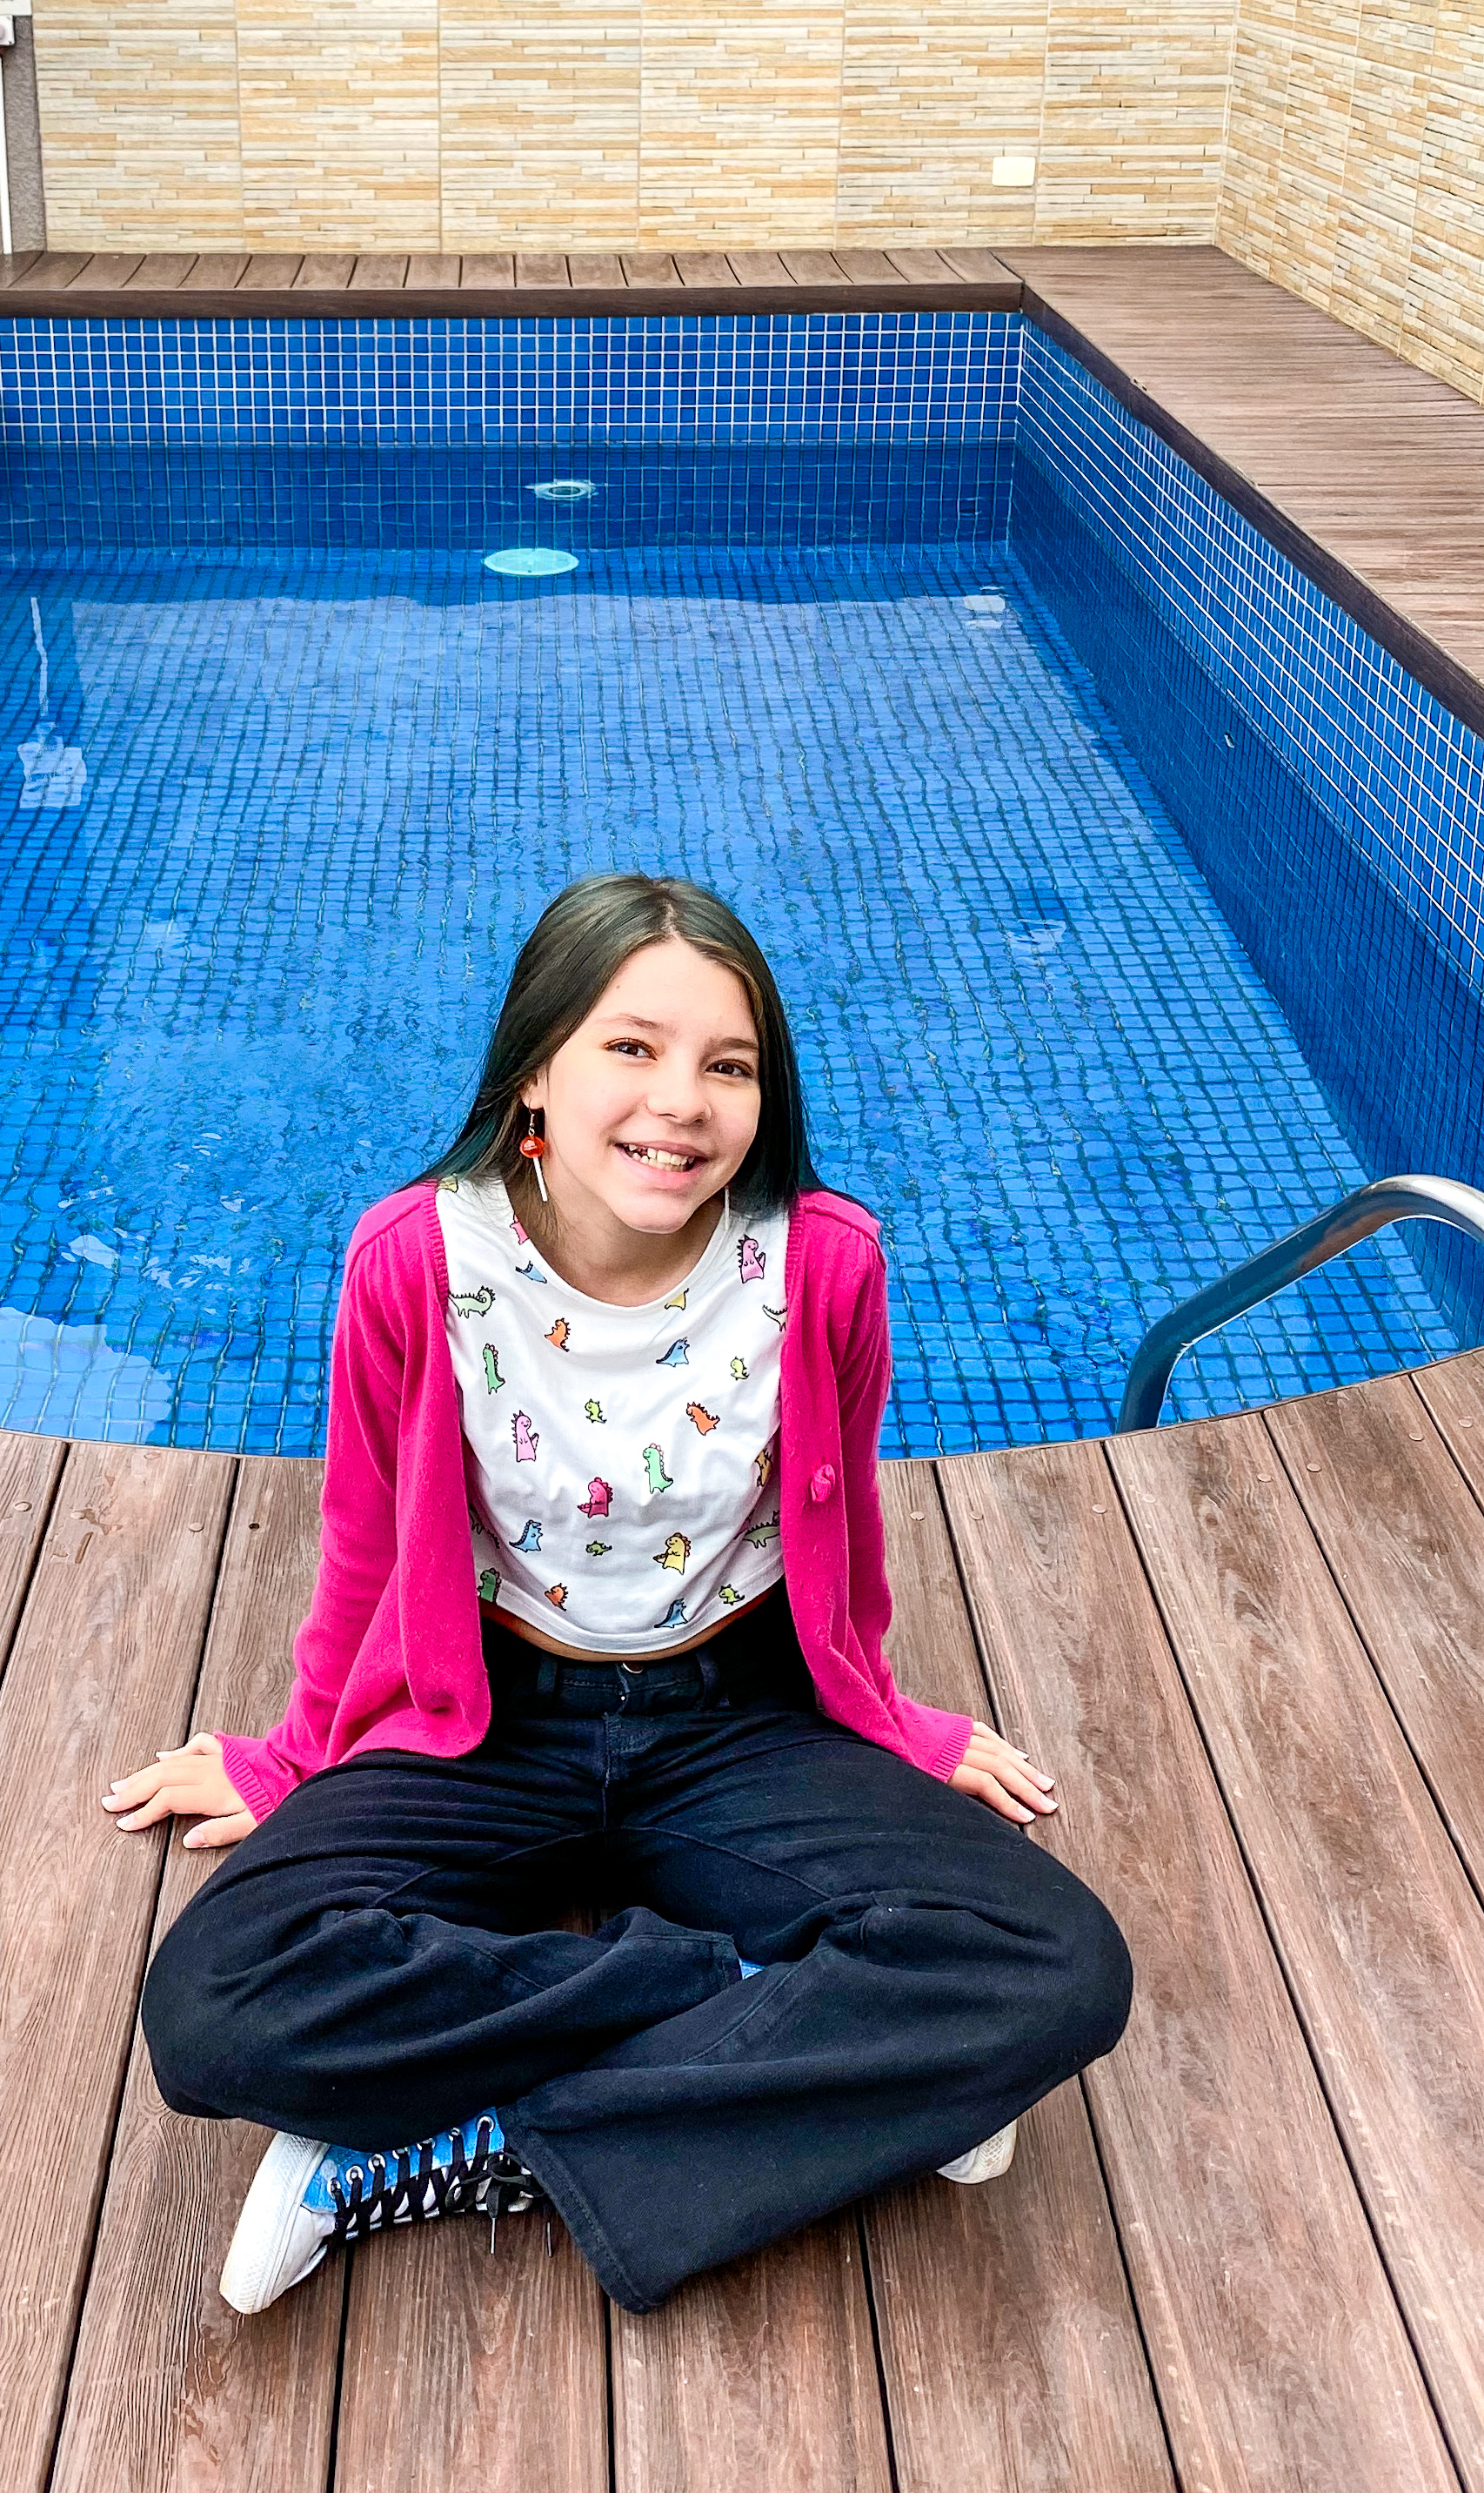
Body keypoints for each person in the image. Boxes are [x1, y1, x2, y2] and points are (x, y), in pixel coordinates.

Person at [107, 872, 1131, 2319]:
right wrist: (290, 1760)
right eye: (631, 1048)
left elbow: (844, 1538)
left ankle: (430, 2155)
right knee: (217, 2005)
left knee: (1059, 1966)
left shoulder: (819, 1264)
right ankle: (793, 2021)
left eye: (729, 1065)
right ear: (537, 1067)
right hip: (489, 1721)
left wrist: (894, 1724)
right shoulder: (422, 1262)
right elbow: (359, 1543)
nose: (683, 1103)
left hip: (735, 1719)